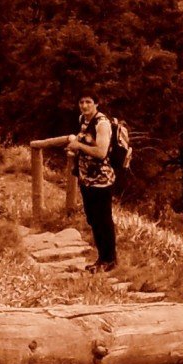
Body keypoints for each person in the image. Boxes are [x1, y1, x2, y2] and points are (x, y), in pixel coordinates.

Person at [65, 95, 120, 271]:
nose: (84, 105)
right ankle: (101, 259)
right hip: (86, 179)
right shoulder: (83, 120)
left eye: (88, 102)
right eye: (81, 102)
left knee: (103, 219)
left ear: (97, 103)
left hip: (102, 180)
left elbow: (101, 152)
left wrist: (78, 146)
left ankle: (109, 259)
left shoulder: (101, 124)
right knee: (93, 219)